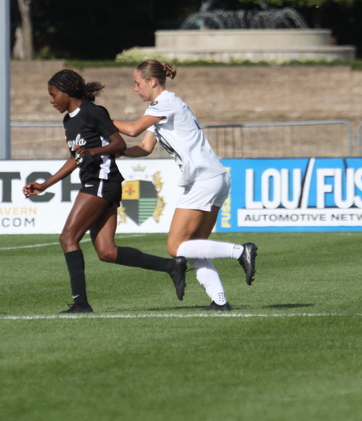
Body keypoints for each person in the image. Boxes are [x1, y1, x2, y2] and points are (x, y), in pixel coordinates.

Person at [22, 69, 187, 314]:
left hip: (101, 181)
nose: (51, 100)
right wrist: (45, 184)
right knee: (107, 252)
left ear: (67, 92)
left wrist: (92, 152)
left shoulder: (93, 112)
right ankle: (172, 267)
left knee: (68, 238)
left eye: (53, 94)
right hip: (97, 182)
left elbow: (118, 143)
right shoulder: (69, 120)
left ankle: (81, 304)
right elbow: (73, 158)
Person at [113, 59, 257, 311]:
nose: (135, 89)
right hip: (215, 177)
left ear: (152, 81)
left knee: (175, 247)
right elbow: (145, 148)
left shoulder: (164, 102)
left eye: (137, 83)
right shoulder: (160, 109)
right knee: (193, 248)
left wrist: (99, 118)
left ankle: (240, 251)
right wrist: (118, 152)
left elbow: (134, 129)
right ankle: (219, 301)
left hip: (203, 180)